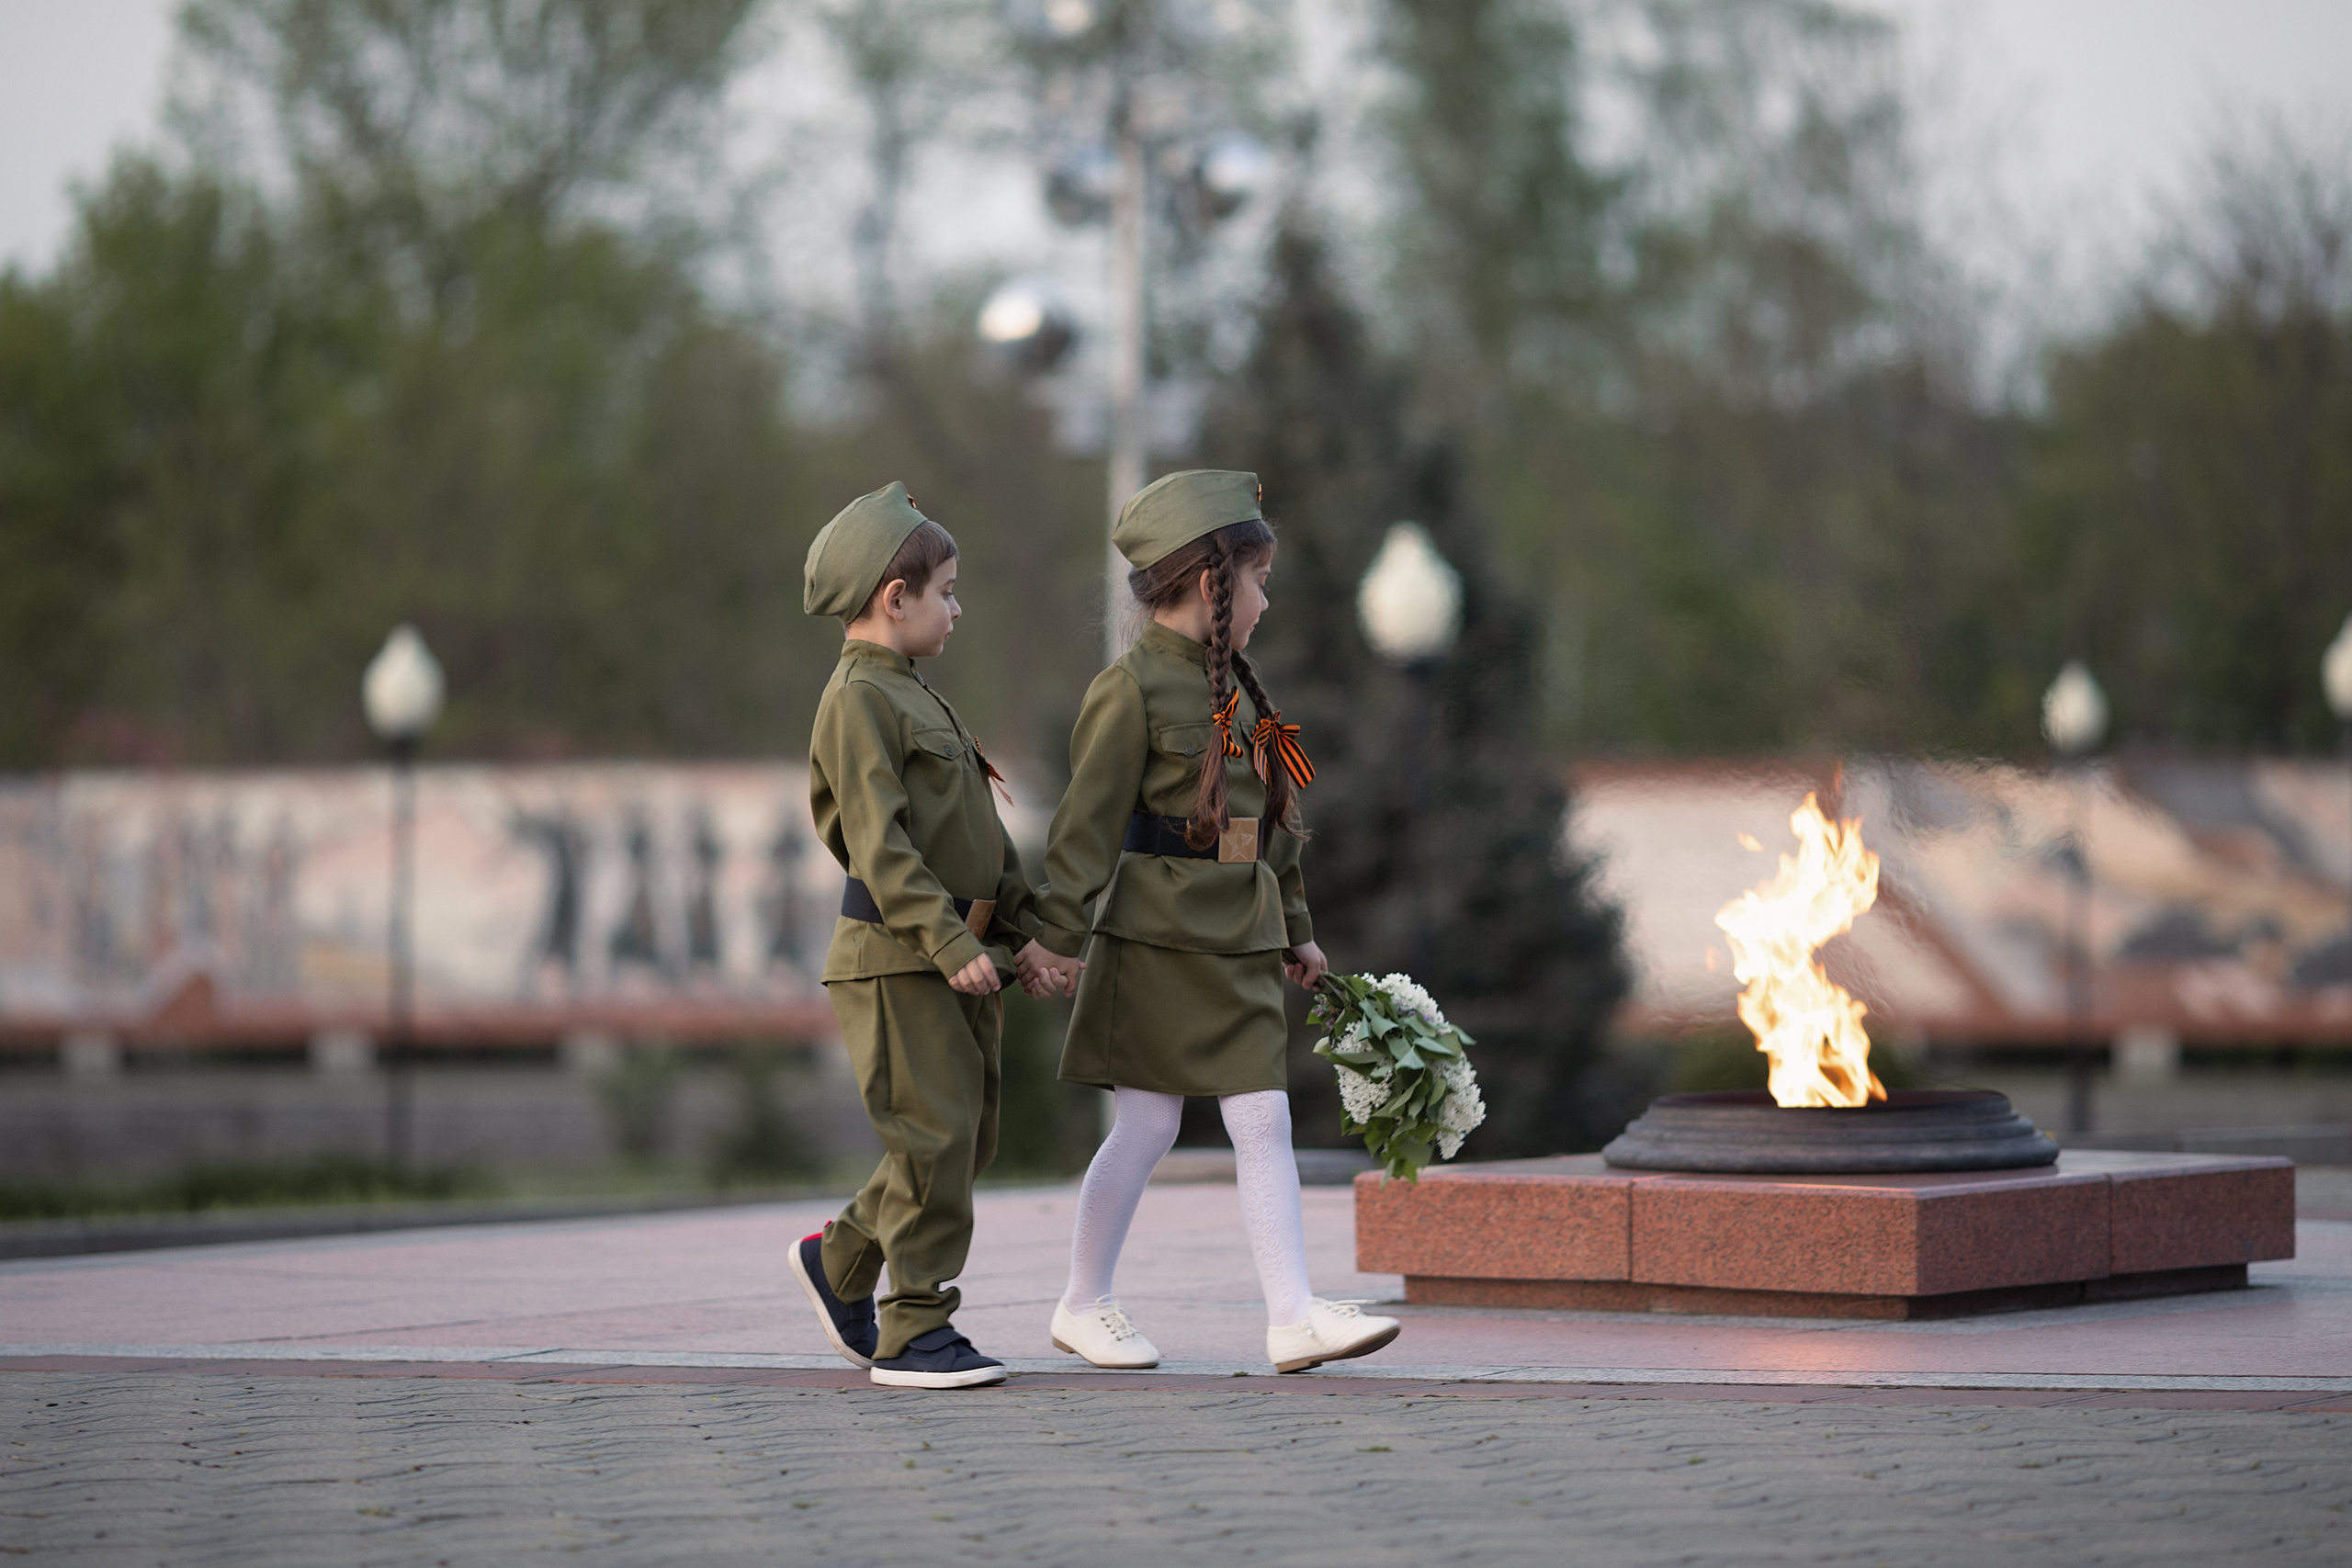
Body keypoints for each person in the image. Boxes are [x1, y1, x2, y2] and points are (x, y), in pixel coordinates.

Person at [1025, 469, 1402, 1374]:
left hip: (1234, 935)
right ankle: (1083, 1302)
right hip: (1154, 941)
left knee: (1261, 1120)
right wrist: (1057, 939)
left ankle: (1291, 1316)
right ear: (1210, 583)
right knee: (1147, 1130)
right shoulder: (1131, 689)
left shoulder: (1235, 688)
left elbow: (1262, 823)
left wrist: (1295, 927)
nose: (1266, 598)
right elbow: (1083, 830)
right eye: (1258, 578)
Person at [786, 481, 1070, 1390]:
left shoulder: (913, 696)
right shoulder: (858, 700)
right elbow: (880, 844)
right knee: (935, 1138)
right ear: (891, 598)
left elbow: (975, 843)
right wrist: (950, 946)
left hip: (950, 953)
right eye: (945, 590)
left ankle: (839, 1262)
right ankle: (913, 1328)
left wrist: (1022, 932)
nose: (957, 607)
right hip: (899, 959)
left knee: (957, 1140)